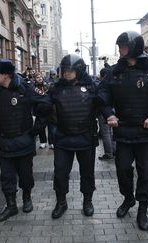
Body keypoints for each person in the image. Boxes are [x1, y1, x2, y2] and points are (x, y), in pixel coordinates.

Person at [98, 31, 148, 231]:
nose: (120, 50)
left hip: (145, 133)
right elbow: (102, 95)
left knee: (145, 172)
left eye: (123, 46)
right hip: (123, 131)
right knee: (122, 169)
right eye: (119, 46)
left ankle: (143, 209)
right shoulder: (115, 71)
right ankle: (128, 198)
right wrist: (109, 114)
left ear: (133, 47)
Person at [0, 59, 51, 222]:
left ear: (6, 75)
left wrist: (37, 129)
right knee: (7, 177)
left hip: (23, 142)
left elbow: (45, 104)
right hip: (3, 143)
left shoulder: (25, 88)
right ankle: (11, 206)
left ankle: (27, 198)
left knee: (25, 175)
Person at [47, 54, 99, 219]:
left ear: (79, 70)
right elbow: (44, 105)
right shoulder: (56, 88)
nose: (66, 74)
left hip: (86, 138)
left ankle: (87, 201)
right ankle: (61, 202)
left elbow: (104, 104)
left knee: (87, 172)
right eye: (64, 71)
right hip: (63, 138)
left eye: (70, 71)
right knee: (60, 172)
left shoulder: (91, 87)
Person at [97, 68, 115, 161]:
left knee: (106, 133)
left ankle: (108, 153)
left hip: (104, 112)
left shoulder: (103, 84)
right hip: (113, 110)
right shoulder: (113, 82)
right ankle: (114, 150)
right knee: (111, 132)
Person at [32, 72, 49, 149]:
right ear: (35, 79)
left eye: (40, 77)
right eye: (37, 77)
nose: (39, 78)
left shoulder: (46, 86)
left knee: (51, 127)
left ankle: (51, 142)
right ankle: (43, 141)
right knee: (39, 127)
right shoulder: (33, 87)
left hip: (48, 109)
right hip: (38, 110)